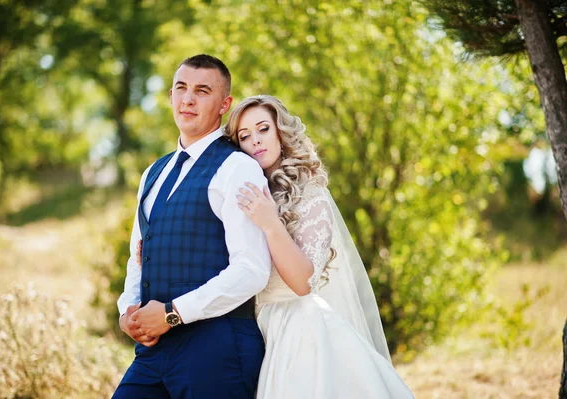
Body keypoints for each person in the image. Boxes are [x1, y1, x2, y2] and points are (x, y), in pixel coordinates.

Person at [224, 95, 415, 398]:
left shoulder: (310, 193)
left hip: (298, 329)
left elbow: (303, 283)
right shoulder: (241, 193)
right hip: (249, 326)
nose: (255, 141)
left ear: (280, 133)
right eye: (244, 136)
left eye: (263, 129)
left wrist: (271, 224)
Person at [112, 55, 272, 399]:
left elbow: (252, 269)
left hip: (217, 349)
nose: (188, 99)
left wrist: (172, 314)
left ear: (224, 105)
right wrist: (128, 311)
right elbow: (139, 257)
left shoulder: (236, 168)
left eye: (202, 91)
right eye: (181, 88)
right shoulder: (153, 173)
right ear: (170, 94)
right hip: (154, 353)